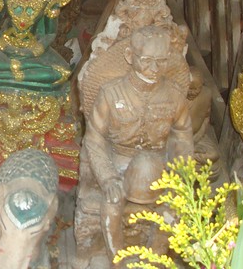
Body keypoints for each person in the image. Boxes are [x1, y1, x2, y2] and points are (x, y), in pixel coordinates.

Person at [82, 25, 193, 257]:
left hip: (159, 165)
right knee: (112, 202)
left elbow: (182, 137)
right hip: (118, 161)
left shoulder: (174, 95)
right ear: (130, 56)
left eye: (161, 61)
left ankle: (156, 256)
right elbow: (94, 137)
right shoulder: (110, 93)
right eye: (147, 60)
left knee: (174, 207)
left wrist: (179, 175)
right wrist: (107, 177)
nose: (154, 68)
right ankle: (116, 257)